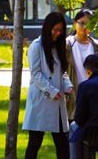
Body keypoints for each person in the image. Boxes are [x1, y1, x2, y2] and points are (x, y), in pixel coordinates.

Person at [24, 12, 73, 159]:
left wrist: (67, 85)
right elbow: (36, 74)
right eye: (55, 30)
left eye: (60, 30)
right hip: (41, 101)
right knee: (35, 142)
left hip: (57, 103)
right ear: (47, 28)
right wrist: (51, 91)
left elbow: (61, 72)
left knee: (63, 143)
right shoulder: (36, 47)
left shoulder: (58, 47)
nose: (58, 33)